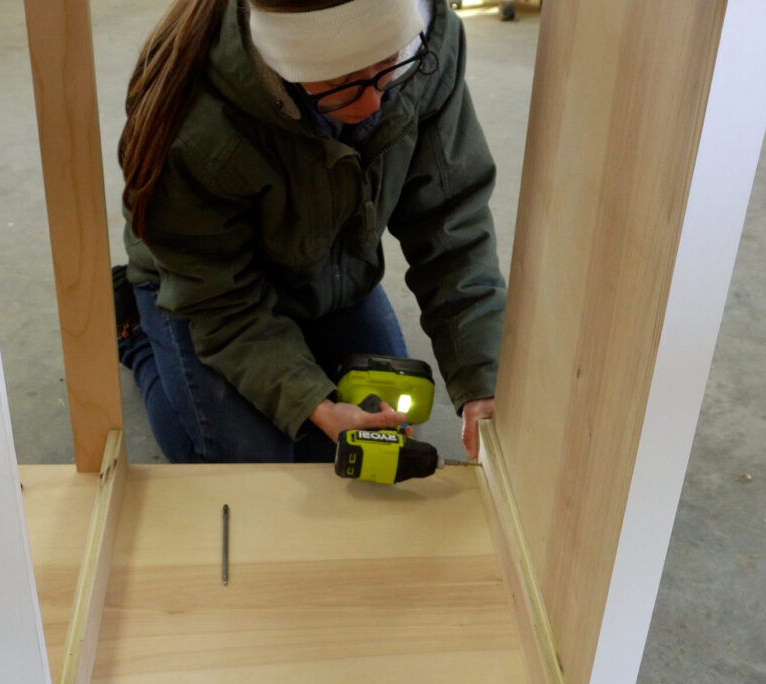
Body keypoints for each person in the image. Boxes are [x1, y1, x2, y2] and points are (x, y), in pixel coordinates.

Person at [113, 0, 504, 465]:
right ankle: (138, 335)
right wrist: (316, 405)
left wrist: (482, 379)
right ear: (282, 63)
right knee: (240, 459)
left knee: (381, 427)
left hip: (326, 262)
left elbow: (450, 222)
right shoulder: (194, 121)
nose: (371, 105)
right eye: (341, 83)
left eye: (388, 65)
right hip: (206, 283)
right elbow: (219, 301)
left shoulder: (428, 44)